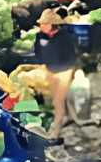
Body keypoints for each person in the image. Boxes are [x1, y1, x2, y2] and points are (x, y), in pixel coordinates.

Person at [34, 8, 80, 139]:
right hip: (50, 70)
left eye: (43, 24)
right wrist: (42, 65)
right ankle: (64, 118)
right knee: (55, 99)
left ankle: (55, 132)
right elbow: (38, 51)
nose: (40, 26)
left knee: (57, 102)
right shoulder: (40, 36)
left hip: (64, 71)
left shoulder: (65, 37)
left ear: (50, 25)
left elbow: (71, 56)